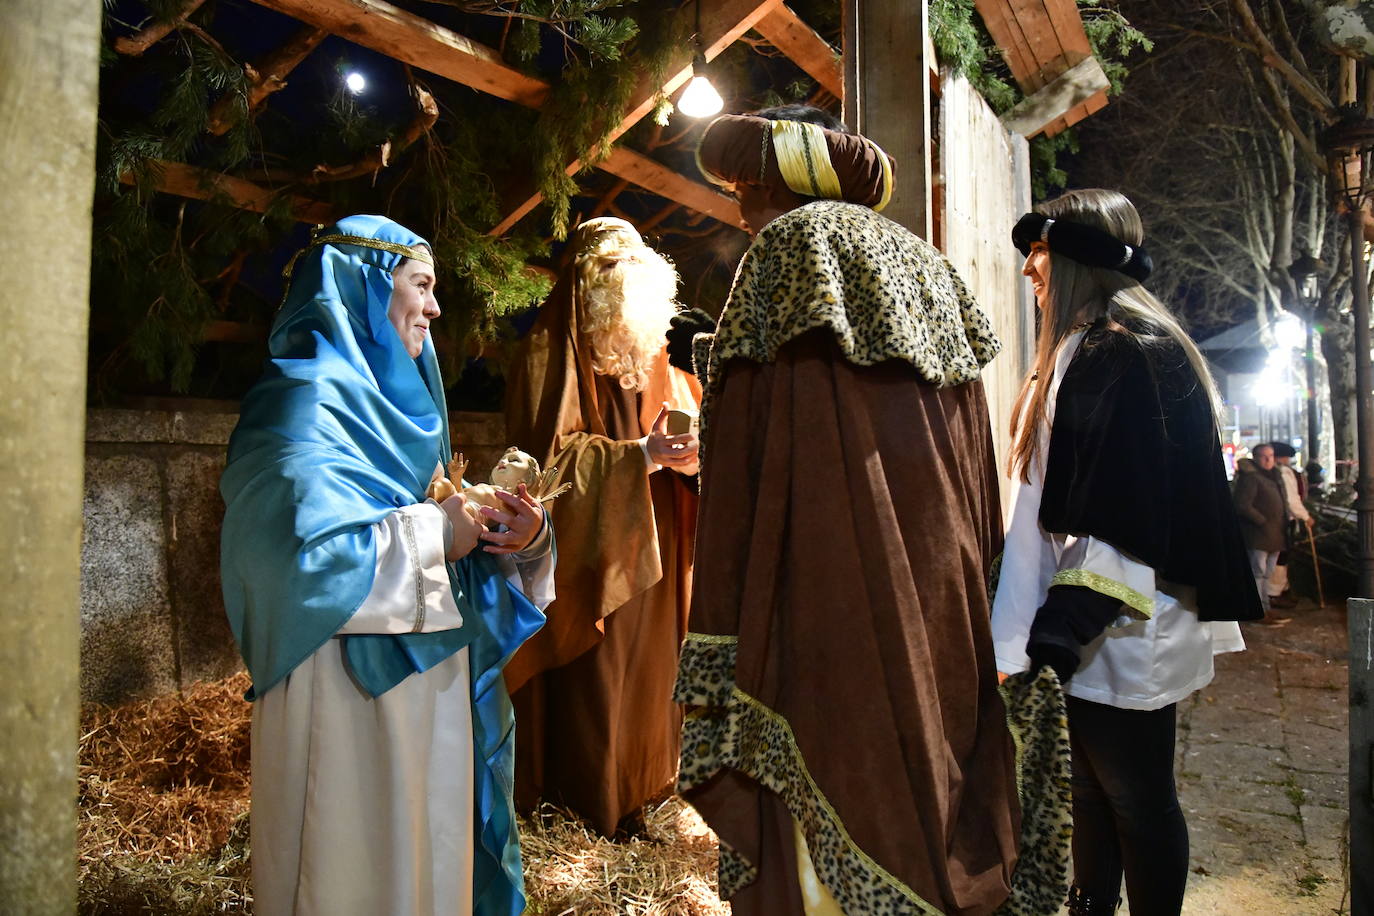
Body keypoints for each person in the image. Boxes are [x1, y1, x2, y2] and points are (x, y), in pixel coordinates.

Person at [674, 106, 1023, 915]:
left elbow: (761, 441)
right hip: (942, 572)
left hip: (832, 572)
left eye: (747, 190)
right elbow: (969, 454)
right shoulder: (928, 264)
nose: (739, 211)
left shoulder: (796, 248)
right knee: (928, 759)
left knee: (838, 749)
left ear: (776, 187)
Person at [219, 216, 555, 916]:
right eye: (421, 286)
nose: (435, 309)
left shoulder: (406, 411)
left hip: (431, 692)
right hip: (344, 699)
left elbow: (436, 533)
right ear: (363, 290)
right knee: (354, 865)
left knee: (431, 857)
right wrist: (437, 529)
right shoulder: (300, 405)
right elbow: (293, 561)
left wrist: (518, 538)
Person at [991, 190, 1263, 916]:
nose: (1029, 272)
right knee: (1089, 788)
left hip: (1121, 618)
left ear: (1075, 261)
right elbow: (1047, 504)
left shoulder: (1131, 355)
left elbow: (1131, 515)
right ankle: (1091, 903)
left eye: (1040, 254)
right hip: (1081, 616)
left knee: (1137, 798)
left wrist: (1060, 628)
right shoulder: (1083, 351)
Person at [501, 216, 702, 836]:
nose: (626, 290)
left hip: (661, 542)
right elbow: (549, 462)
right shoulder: (547, 352)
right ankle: (589, 804)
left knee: (654, 676)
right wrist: (638, 456)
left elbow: (686, 430)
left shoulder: (659, 357)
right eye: (612, 275)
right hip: (598, 549)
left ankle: (649, 788)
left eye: (634, 274)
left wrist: (692, 457)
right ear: (586, 284)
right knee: (601, 678)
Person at [1234, 443, 1289, 621]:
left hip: (1275, 534)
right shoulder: (1251, 477)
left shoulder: (1274, 476)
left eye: (1271, 456)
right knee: (1257, 572)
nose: (1268, 460)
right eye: (1264, 456)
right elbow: (1243, 505)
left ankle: (1265, 607)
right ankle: (1257, 610)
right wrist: (1262, 521)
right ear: (1256, 458)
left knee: (1267, 573)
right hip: (1259, 535)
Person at [1267, 440, 1313, 609]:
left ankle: (1280, 590)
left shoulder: (1274, 471)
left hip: (1279, 520)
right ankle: (1274, 593)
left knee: (1279, 557)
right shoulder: (1284, 473)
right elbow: (1291, 499)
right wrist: (1305, 516)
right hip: (1284, 521)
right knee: (1281, 557)